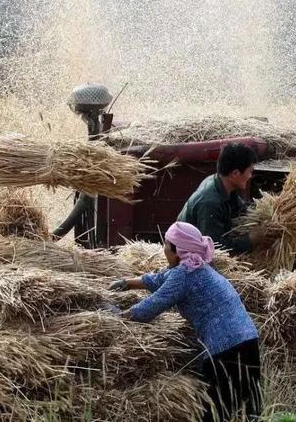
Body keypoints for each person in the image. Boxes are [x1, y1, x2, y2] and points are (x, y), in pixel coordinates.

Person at [109, 222, 261, 421]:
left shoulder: (184, 275)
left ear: (177, 251)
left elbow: (154, 305)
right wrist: (127, 283)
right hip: (249, 341)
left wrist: (119, 316)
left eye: (165, 245)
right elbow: (160, 279)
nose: (163, 249)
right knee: (250, 410)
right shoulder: (197, 267)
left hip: (225, 349)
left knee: (215, 413)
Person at [178, 143, 260, 255]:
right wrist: (250, 241)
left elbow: (241, 210)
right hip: (187, 255)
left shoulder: (222, 183)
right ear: (235, 173)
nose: (251, 176)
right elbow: (215, 249)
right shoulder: (210, 203)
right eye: (250, 171)